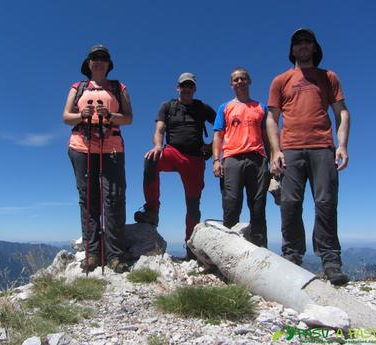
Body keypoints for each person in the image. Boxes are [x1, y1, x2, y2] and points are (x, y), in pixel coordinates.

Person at [266, 29, 351, 285]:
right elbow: (271, 118)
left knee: (326, 202)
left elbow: (342, 112)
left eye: (307, 42)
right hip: (290, 148)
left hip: (322, 147)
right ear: (292, 50)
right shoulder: (280, 80)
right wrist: (275, 151)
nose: (303, 46)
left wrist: (342, 145)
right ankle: (292, 257)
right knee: (290, 203)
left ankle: (331, 261)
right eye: (298, 43)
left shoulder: (328, 77)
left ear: (314, 48)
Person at [62, 45, 133, 273]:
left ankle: (114, 255)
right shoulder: (77, 87)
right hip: (81, 146)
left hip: (110, 147)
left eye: (103, 58)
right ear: (89, 63)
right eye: (95, 58)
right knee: (89, 199)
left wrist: (110, 116)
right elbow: (66, 117)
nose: (99, 61)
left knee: (113, 198)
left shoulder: (118, 87)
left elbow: (128, 118)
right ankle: (93, 254)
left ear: (109, 64)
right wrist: (79, 116)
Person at [134, 72, 216, 259]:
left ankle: (191, 248)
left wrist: (211, 146)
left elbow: (222, 126)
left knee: (193, 204)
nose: (186, 89)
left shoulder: (202, 107)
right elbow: (159, 129)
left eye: (190, 85)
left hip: (195, 158)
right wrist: (157, 146)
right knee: (151, 160)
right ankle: (152, 211)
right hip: (172, 152)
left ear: (194, 88)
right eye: (183, 85)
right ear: (178, 87)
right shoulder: (167, 106)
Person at [212, 67, 270, 247]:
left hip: (258, 159)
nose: (239, 82)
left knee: (258, 206)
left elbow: (267, 136)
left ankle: (261, 251)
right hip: (232, 159)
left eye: (243, 78)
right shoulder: (225, 107)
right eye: (236, 79)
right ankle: (230, 250)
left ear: (249, 81)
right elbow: (218, 136)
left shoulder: (261, 108)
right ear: (231, 84)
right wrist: (216, 160)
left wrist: (273, 157)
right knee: (231, 205)